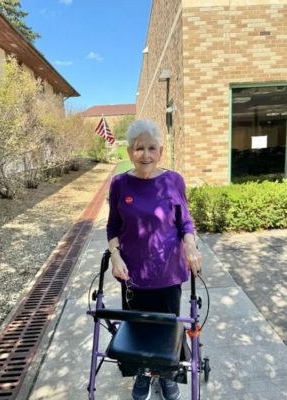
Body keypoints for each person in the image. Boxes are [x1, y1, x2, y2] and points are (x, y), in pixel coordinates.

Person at [106, 119, 202, 400]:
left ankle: (168, 374)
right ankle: (142, 374)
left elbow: (185, 223)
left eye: (151, 148)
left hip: (168, 272)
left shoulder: (174, 181)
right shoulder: (119, 184)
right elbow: (112, 227)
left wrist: (191, 246)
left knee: (169, 328)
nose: (145, 155)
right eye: (139, 149)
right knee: (137, 329)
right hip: (132, 275)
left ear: (160, 151)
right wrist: (115, 256)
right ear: (129, 153)